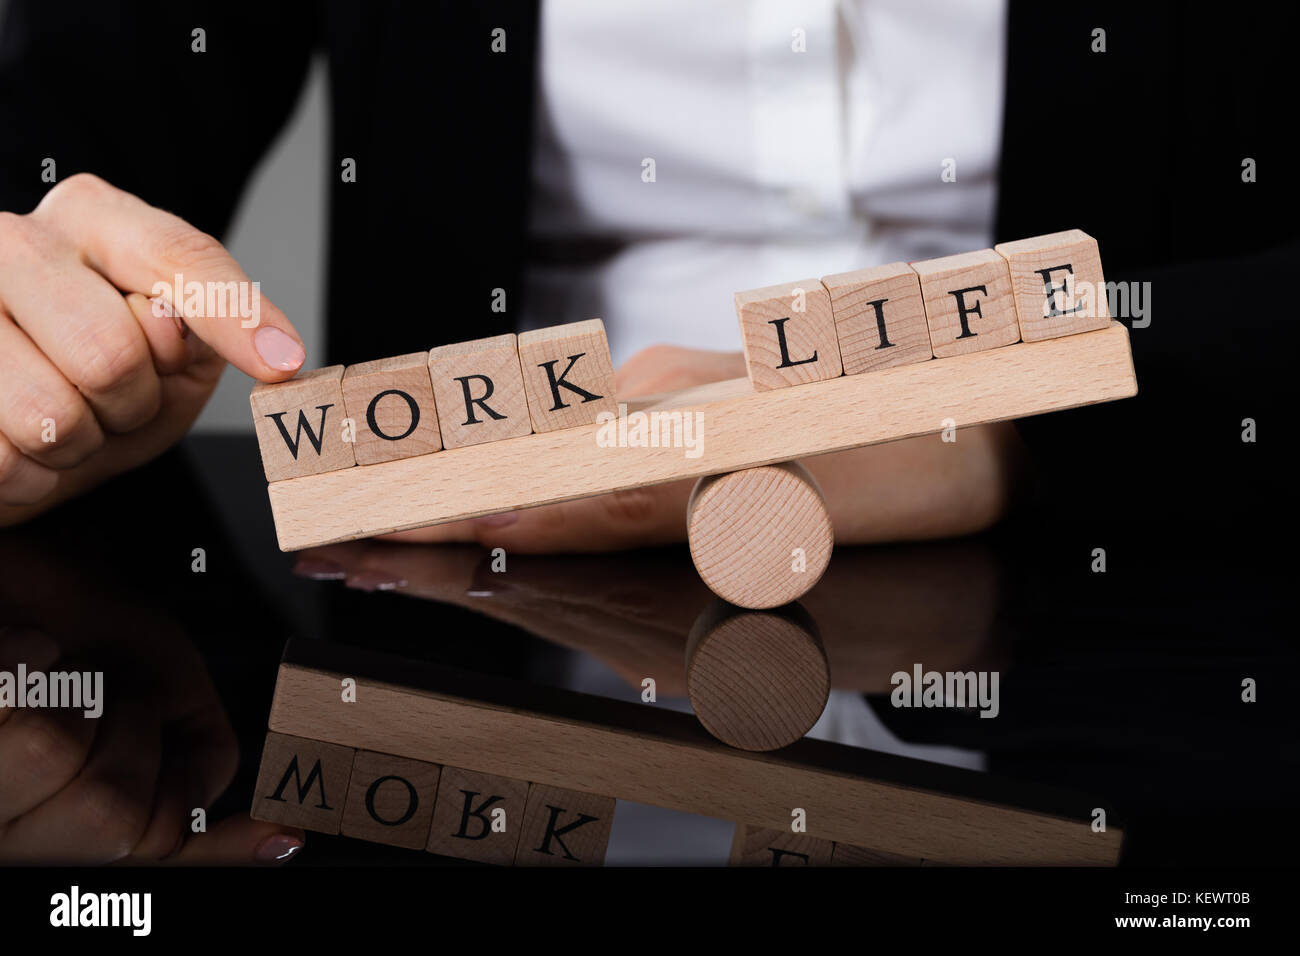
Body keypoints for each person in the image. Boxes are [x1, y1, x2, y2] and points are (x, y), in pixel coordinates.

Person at [0, 1, 1290, 549]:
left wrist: (985, 407)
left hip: (1163, 568)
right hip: (475, 614)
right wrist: (40, 318)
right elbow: (60, 168)